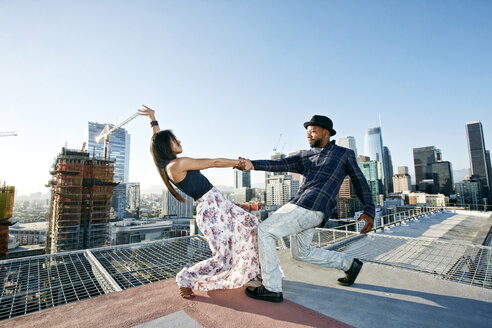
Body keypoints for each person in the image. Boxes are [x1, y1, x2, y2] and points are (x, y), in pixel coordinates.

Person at [237, 115, 375, 303]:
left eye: (312, 130)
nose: (308, 135)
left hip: (312, 206)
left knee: (265, 231)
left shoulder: (343, 154)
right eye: (307, 132)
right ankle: (350, 264)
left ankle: (271, 287)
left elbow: (360, 182)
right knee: (300, 253)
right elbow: (281, 164)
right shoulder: (305, 155)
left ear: (326, 133)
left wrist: (369, 210)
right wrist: (253, 164)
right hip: (303, 206)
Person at [138, 105, 261, 299]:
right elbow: (213, 162)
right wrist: (238, 162)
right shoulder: (177, 164)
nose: (179, 141)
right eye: (174, 140)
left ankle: (256, 271)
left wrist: (153, 120)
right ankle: (185, 279)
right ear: (166, 146)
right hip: (212, 209)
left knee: (253, 225)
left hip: (219, 205)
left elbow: (157, 141)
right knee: (223, 259)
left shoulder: (168, 164)